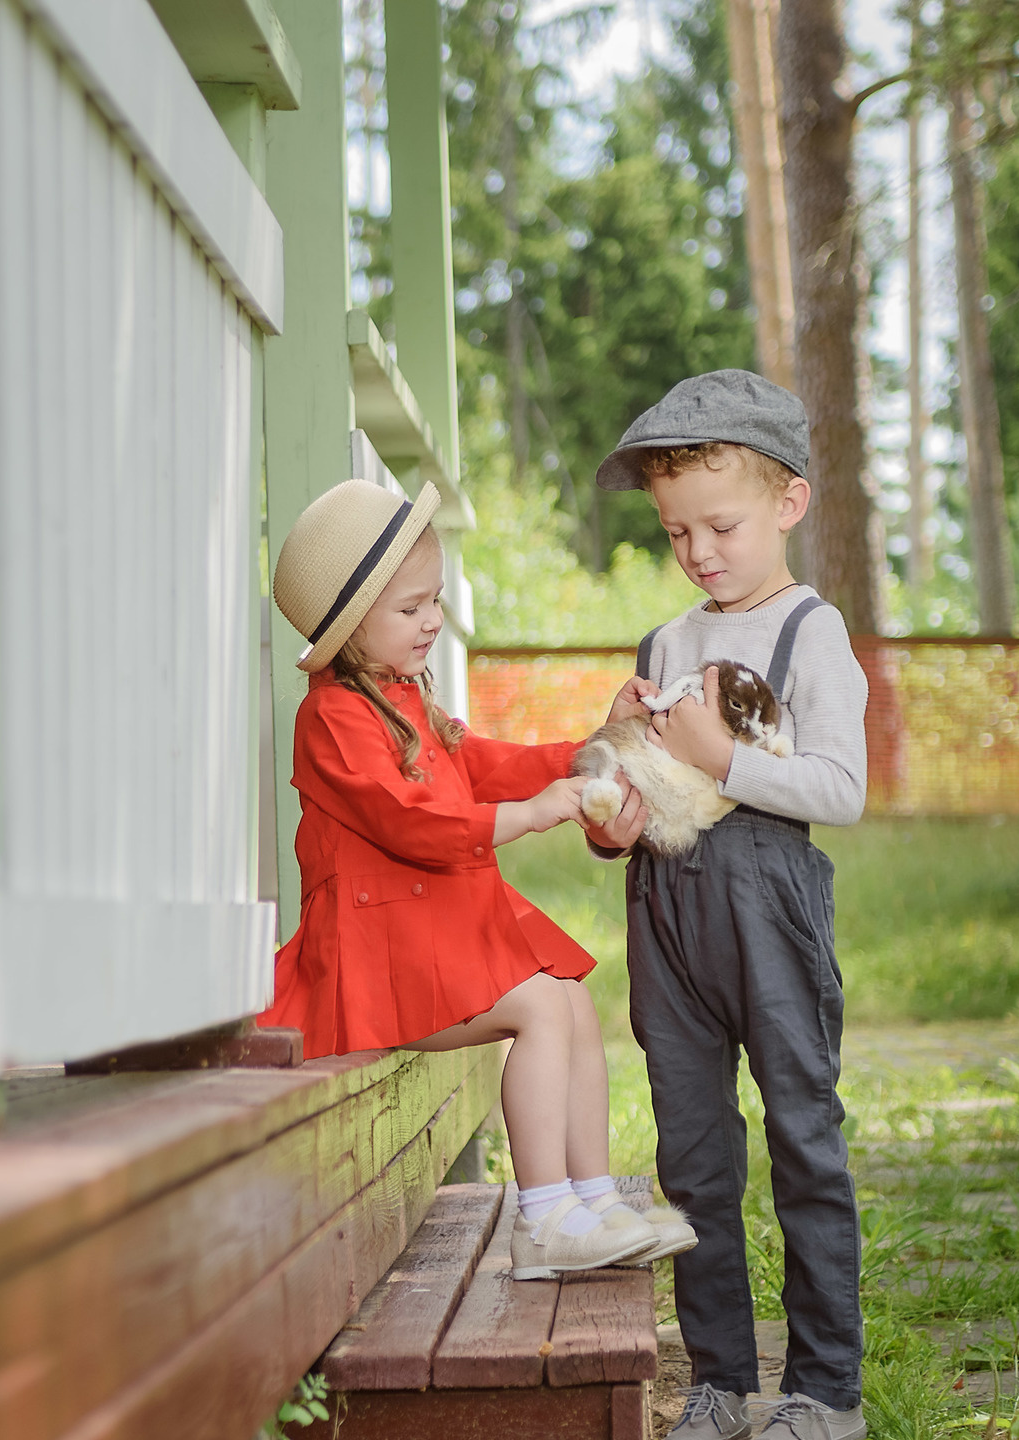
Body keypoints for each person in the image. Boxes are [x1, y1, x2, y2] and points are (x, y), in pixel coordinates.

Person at [259, 478, 697, 1281]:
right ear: (352, 627)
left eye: (435, 600)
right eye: (411, 608)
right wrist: (534, 813)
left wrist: (588, 750)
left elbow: (481, 763)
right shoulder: (332, 719)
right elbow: (409, 819)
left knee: (566, 990)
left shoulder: (401, 697)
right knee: (536, 1005)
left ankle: (591, 1200)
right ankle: (543, 1219)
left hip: (422, 933)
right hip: (371, 957)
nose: (432, 620)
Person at [588, 370, 871, 1440]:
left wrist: (722, 757)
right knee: (693, 1155)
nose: (699, 550)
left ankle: (824, 1393)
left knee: (801, 1134)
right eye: (675, 532)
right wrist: (613, 792)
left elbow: (840, 790)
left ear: (788, 503)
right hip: (669, 910)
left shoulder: (812, 630)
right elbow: (645, 786)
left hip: (768, 904)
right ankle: (718, 1380)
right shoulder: (666, 639)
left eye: (721, 524)